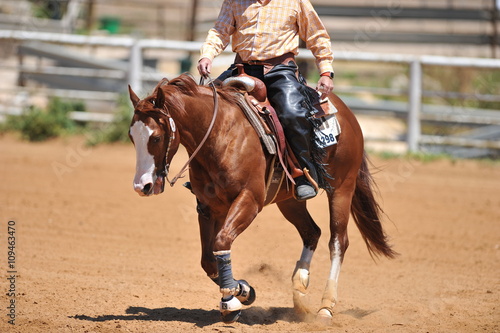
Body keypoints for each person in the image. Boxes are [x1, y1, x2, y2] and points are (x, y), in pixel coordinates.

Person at [197, 0, 334, 201]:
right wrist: (207, 56)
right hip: (241, 68)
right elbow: (219, 31)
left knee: (292, 113)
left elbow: (317, 35)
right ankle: (204, 173)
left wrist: (326, 71)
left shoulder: (295, 1)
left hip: (279, 70)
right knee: (205, 106)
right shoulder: (235, 1)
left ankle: (303, 173)